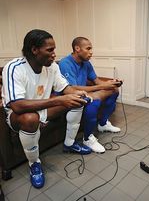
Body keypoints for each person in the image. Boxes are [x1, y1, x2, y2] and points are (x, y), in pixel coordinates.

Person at [1, 29, 92, 189]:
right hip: (18, 115)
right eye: (50, 50)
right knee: (31, 118)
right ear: (34, 50)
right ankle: (34, 164)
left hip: (43, 109)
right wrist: (59, 100)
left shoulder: (52, 67)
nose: (54, 54)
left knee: (78, 100)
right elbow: (17, 105)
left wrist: (77, 93)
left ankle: (69, 143)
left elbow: (65, 88)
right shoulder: (14, 67)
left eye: (54, 50)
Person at [59, 37, 122, 153]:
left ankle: (103, 124)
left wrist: (109, 84)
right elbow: (72, 88)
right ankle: (87, 138)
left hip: (83, 92)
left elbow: (96, 81)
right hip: (69, 94)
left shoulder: (86, 63)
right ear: (77, 48)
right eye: (88, 48)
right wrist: (102, 87)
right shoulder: (65, 63)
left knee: (114, 91)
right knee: (94, 101)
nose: (91, 52)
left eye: (91, 48)